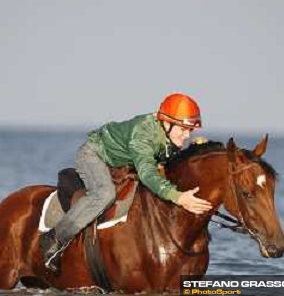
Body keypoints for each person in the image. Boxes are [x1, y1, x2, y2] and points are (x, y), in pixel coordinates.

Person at [40, 92, 213, 272]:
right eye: (183, 129)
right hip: (94, 155)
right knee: (105, 194)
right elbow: (147, 173)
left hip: (122, 163)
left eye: (190, 131)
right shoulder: (143, 134)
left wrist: (197, 151)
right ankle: (55, 238)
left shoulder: (168, 135)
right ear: (166, 123)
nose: (186, 135)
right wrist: (178, 197)